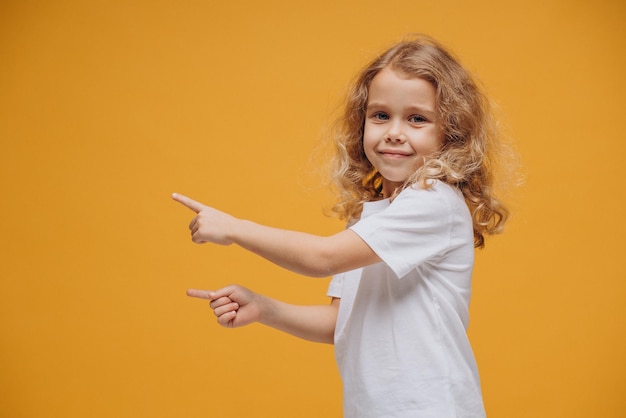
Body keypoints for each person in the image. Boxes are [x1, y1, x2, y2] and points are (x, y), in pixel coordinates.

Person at [173, 34, 510, 417]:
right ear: (361, 122)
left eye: (417, 119)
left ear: (449, 133)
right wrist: (265, 309)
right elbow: (341, 323)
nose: (394, 131)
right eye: (381, 115)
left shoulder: (434, 202)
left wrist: (234, 228)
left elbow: (323, 258)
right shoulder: (374, 215)